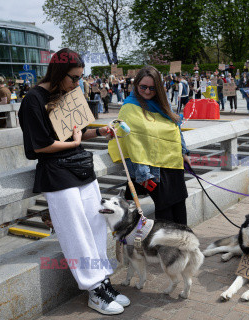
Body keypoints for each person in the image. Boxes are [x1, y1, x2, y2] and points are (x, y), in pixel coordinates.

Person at [17, 48, 129, 315]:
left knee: (95, 225)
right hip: (57, 175)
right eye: (74, 77)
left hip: (80, 168)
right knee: (75, 231)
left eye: (80, 77)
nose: (77, 83)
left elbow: (75, 134)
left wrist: (100, 131)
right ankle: (93, 290)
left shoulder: (66, 93)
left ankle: (102, 281)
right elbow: (39, 146)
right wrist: (77, 141)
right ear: (58, 72)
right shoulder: (33, 99)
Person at [108, 66, 191, 225]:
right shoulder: (129, 107)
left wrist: (184, 152)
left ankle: (183, 245)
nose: (147, 91)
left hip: (172, 162)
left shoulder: (163, 103)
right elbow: (133, 143)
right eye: (143, 87)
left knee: (180, 206)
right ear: (136, 85)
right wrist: (144, 175)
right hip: (151, 169)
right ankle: (168, 248)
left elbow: (176, 127)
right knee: (165, 212)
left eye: (152, 88)